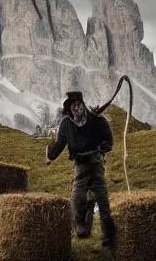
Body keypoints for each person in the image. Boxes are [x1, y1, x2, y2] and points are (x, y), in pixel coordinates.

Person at [46, 91, 117, 247]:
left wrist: (102, 149)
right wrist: (50, 154)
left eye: (77, 105)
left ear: (82, 105)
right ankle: (82, 226)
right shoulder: (66, 124)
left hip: (96, 162)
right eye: (72, 107)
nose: (76, 109)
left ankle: (108, 237)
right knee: (77, 197)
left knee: (102, 199)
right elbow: (60, 144)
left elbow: (108, 140)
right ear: (69, 109)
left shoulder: (97, 120)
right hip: (80, 164)